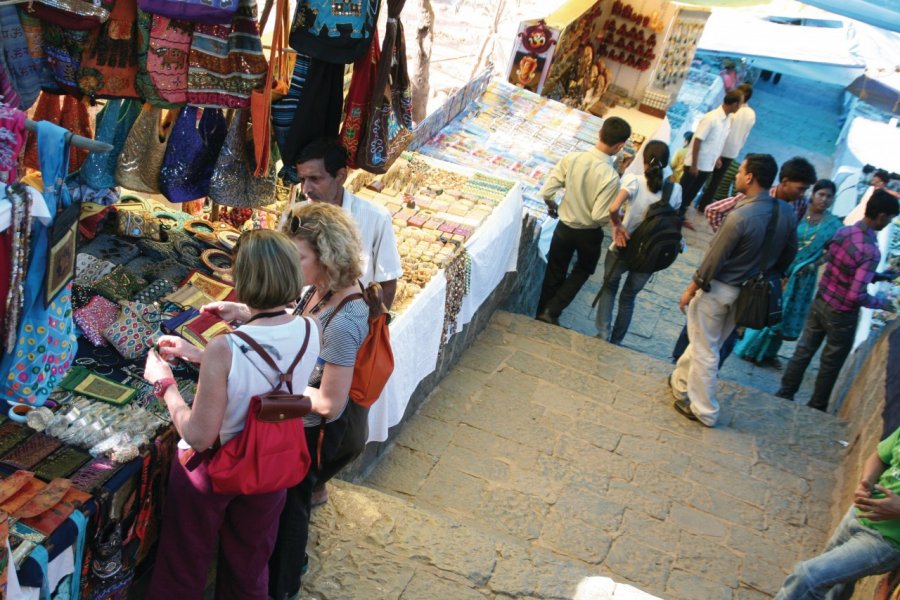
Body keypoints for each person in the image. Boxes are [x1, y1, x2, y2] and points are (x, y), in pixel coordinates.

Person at [142, 230, 320, 599]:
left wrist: (165, 386)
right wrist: (201, 353)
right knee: (249, 565)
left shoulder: (226, 347)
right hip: (272, 463)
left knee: (183, 565)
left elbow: (199, 435)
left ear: (240, 281)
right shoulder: (308, 329)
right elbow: (262, 364)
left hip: (217, 467)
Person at [268, 202, 371, 600]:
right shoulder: (318, 289)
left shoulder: (345, 319)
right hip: (294, 420)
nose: (293, 266)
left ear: (327, 256)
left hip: (309, 434)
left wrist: (271, 387)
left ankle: (283, 587)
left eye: (300, 257)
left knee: (292, 512)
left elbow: (330, 402)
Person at [669, 154, 797, 426]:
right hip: (749, 294)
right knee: (707, 342)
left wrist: (691, 288)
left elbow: (714, 258)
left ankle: (705, 409)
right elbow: (789, 254)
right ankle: (680, 383)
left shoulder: (740, 216)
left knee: (706, 348)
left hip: (720, 290)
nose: (737, 175)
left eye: (740, 171)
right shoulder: (786, 212)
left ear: (750, 177)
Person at [671, 156, 819, 365]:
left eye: (804, 190)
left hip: (754, 284)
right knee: (702, 334)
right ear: (784, 182)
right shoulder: (753, 199)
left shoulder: (797, 206)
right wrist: (729, 239)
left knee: (721, 337)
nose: (802, 194)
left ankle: (691, 378)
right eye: (800, 188)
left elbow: (788, 247)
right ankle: (683, 369)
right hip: (729, 277)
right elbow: (714, 211)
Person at [776, 190, 899, 411]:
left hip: (821, 300)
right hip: (841, 314)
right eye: (889, 218)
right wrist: (882, 303)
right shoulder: (870, 251)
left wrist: (877, 276)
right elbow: (856, 294)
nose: (888, 222)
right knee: (830, 363)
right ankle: (816, 405)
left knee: (804, 350)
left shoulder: (845, 231)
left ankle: (785, 392)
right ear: (881, 216)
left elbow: (838, 263)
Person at [774, 427, 900, 599]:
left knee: (808, 577)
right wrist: (866, 482)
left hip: (886, 541)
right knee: (835, 585)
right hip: (858, 513)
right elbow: (879, 456)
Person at [735, 180, 842, 368]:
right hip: (780, 268)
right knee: (767, 306)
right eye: (821, 194)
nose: (824, 199)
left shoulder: (833, 224)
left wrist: (812, 265)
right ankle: (749, 348)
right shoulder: (798, 210)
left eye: (829, 196)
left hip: (802, 278)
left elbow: (832, 252)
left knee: (786, 314)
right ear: (813, 194)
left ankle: (768, 353)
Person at [536, 116, 632, 325]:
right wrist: (616, 219)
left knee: (555, 270)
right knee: (584, 269)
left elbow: (547, 192)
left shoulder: (572, 159)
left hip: (563, 227)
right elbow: (598, 215)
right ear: (619, 146)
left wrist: (553, 208)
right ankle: (552, 310)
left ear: (599, 133)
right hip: (587, 233)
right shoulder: (610, 176)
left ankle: (541, 313)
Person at [295, 138, 402, 309]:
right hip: (305, 319)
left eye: (314, 179)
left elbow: (388, 282)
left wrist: (375, 328)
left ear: (340, 176)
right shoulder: (293, 216)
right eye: (302, 180)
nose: (305, 189)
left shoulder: (376, 218)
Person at [594, 140, 682, 344]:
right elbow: (674, 218)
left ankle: (602, 334)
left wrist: (617, 227)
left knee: (609, 288)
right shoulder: (675, 191)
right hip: (650, 255)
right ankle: (616, 341)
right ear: (666, 163)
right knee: (628, 298)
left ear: (644, 161)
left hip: (623, 247)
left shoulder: (633, 181)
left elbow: (614, 207)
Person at [677, 89, 743, 220]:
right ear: (734, 104)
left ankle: (680, 217)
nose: (740, 107)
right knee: (681, 194)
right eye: (740, 104)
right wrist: (694, 165)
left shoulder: (728, 119)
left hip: (707, 166)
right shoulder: (711, 118)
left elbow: (718, 141)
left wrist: (717, 157)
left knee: (691, 195)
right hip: (696, 165)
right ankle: (672, 216)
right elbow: (697, 141)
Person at [698, 83, 756, 209]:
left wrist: (718, 153)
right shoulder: (751, 114)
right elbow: (745, 135)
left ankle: (698, 200)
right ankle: (704, 205)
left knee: (705, 175)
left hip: (719, 148)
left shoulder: (733, 111)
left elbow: (724, 132)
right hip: (732, 151)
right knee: (716, 181)